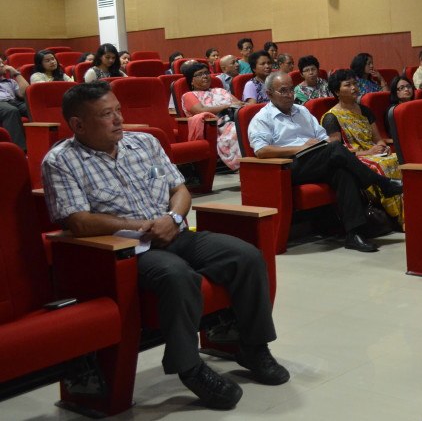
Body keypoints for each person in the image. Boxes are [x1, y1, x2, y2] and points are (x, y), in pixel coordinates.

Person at [42, 81, 288, 410]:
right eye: (106, 114)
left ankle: (254, 347)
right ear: (78, 124)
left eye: (118, 111)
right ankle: (189, 368)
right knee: (177, 275)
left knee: (246, 256)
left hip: (175, 231)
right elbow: (78, 221)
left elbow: (180, 190)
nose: (118, 119)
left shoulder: (144, 142)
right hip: (127, 252)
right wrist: (142, 226)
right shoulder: (60, 161)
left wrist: (172, 218)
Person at [248, 72, 403, 253]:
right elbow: (262, 151)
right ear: (269, 94)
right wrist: (299, 148)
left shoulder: (303, 111)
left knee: (342, 172)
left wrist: (318, 145)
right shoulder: (262, 118)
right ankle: (381, 183)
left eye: (291, 89)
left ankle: (354, 234)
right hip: (288, 167)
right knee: (336, 149)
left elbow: (324, 138)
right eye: (283, 91)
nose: (290, 94)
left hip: (315, 159)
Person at [321, 69, 403, 230]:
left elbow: (377, 138)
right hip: (355, 158)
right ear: (337, 91)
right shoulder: (331, 117)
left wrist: (382, 147)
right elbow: (337, 150)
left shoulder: (364, 110)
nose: (354, 88)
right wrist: (368, 153)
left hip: (374, 153)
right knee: (383, 165)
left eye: (355, 84)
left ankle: (410, 211)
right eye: (348, 85)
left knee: (399, 160)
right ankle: (398, 217)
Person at [181, 61, 245, 171]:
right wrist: (226, 106)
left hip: (235, 119)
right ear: (191, 80)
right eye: (200, 74)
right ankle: (246, 166)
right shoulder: (189, 95)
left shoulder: (220, 90)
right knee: (240, 131)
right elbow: (200, 111)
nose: (205, 76)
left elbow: (239, 104)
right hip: (217, 126)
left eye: (206, 73)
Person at [0, 54, 30, 149]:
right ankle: (20, 150)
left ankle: (44, 140)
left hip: (13, 101)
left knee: (32, 108)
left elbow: (25, 93)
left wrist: (16, 73)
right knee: (11, 111)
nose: (2, 65)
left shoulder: (10, 82)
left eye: (2, 63)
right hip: (2, 104)